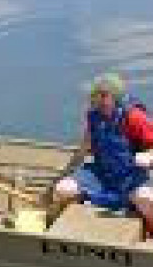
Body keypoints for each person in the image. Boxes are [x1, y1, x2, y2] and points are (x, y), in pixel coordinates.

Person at [53, 73, 153, 227]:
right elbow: (84, 147)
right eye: (95, 95)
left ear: (114, 96)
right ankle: (72, 225)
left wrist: (148, 156)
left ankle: (148, 232)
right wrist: (65, 174)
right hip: (102, 173)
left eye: (103, 95)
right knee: (64, 189)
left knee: (146, 199)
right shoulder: (93, 115)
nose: (97, 99)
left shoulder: (134, 117)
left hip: (132, 177)